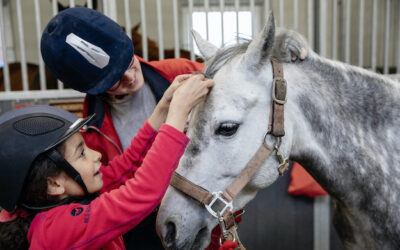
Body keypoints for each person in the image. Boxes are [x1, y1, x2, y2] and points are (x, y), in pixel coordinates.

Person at [40, 7, 309, 249]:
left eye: (129, 61)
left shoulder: (179, 72)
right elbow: (113, 184)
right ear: (92, 89)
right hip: (139, 227)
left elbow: (243, 83)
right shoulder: (93, 128)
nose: (131, 77)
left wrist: (282, 50)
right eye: (115, 81)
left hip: (195, 210)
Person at [0, 73, 214, 249]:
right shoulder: (56, 229)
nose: (97, 155)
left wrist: (163, 110)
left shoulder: (69, 194)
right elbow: (141, 193)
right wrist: (179, 112)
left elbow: (125, 168)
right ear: (54, 184)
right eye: (81, 153)